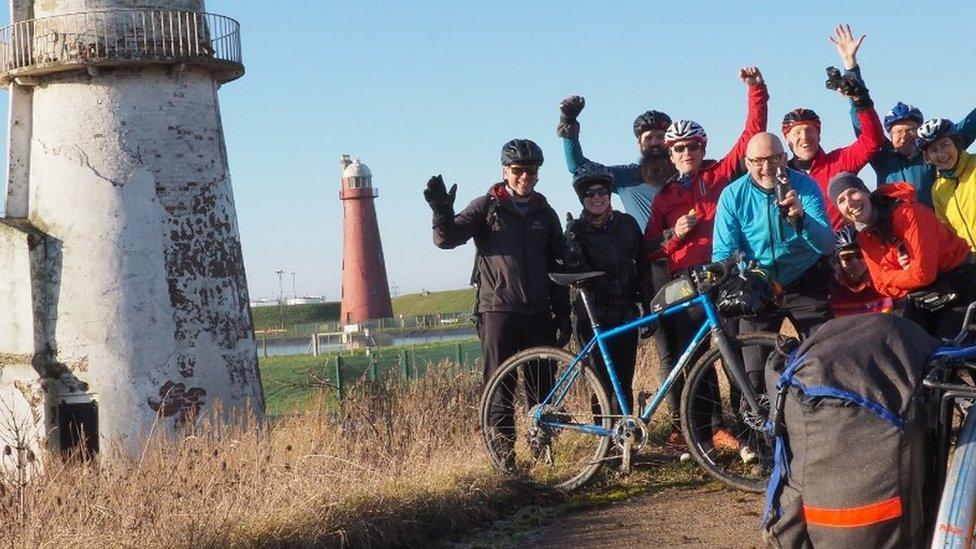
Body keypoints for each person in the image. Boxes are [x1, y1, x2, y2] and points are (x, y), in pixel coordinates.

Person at [644, 66, 768, 441]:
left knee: (734, 354)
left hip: (725, 274)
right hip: (688, 283)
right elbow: (650, 249)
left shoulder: (719, 175)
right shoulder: (665, 196)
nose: (687, 153)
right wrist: (673, 234)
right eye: (679, 148)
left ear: (703, 147)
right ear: (671, 153)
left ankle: (749, 427)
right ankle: (710, 431)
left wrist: (755, 88)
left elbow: (752, 134)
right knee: (698, 360)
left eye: (693, 146)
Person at [425, 139, 572, 450]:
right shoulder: (486, 206)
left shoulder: (545, 212)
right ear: (506, 170)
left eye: (532, 171)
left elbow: (558, 266)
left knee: (541, 386)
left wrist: (563, 313)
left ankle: (542, 450)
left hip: (538, 313)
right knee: (499, 385)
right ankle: (504, 456)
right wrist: (441, 214)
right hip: (498, 310)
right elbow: (447, 240)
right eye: (519, 170)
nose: (525, 177)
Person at [556, 93, 677, 416]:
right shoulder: (624, 176)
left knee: (690, 348)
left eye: (661, 137)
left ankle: (694, 424)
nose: (655, 143)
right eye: (648, 138)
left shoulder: (682, 171)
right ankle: (614, 435)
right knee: (661, 353)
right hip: (649, 268)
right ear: (639, 143)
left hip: (673, 268)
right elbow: (578, 167)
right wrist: (570, 127)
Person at [712, 132, 835, 389]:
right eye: (757, 161)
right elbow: (723, 253)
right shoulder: (733, 195)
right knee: (754, 371)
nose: (766, 167)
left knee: (826, 359)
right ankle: (761, 425)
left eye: (773, 159)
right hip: (760, 285)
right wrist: (740, 278)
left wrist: (802, 219)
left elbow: (827, 244)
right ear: (747, 163)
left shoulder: (805, 186)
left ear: (784, 157)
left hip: (804, 278)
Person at [830, 172, 976, 338]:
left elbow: (923, 274)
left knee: (949, 348)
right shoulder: (865, 238)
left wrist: (893, 273)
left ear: (866, 192)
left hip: (959, 279)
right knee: (907, 345)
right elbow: (880, 284)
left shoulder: (908, 214)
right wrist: (905, 272)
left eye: (853, 192)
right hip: (923, 293)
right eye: (841, 200)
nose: (850, 202)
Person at [564, 164, 652, 412]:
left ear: (610, 194)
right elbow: (573, 273)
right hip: (592, 315)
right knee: (601, 384)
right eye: (589, 193)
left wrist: (647, 307)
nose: (597, 198)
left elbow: (643, 267)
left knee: (623, 382)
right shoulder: (576, 230)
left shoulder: (627, 224)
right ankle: (607, 443)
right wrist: (571, 249)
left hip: (625, 312)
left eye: (602, 191)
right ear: (582, 198)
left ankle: (625, 439)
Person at [843, 46, 976, 207]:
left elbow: (970, 124)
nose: (904, 136)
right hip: (895, 230)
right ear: (890, 136)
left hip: (935, 227)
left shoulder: (932, 152)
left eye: (910, 130)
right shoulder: (882, 158)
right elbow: (864, 123)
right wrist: (851, 69)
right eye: (898, 132)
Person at [781, 24, 883, 229]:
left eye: (810, 130)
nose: (805, 136)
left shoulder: (838, 162)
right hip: (802, 255)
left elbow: (872, 141)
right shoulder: (782, 175)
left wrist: (859, 95)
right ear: (787, 139)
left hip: (842, 250)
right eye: (797, 132)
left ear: (819, 135)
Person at [917, 119, 976, 251]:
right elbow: (946, 231)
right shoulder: (938, 189)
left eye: (945, 145)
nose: (941, 154)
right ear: (928, 157)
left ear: (956, 144)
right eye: (933, 150)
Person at [828, 225, 895, 317]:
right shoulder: (831, 289)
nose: (854, 262)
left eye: (860, 255)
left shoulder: (884, 280)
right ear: (838, 262)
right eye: (846, 257)